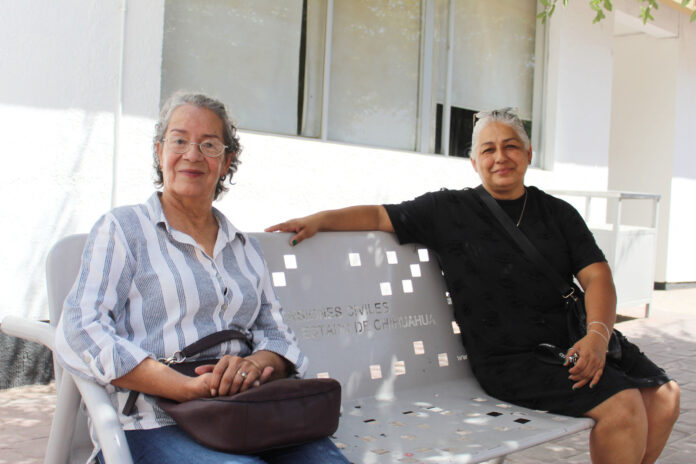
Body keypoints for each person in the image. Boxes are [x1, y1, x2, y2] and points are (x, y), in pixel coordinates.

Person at [266, 108, 680, 464]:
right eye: (488, 149)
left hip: (577, 340)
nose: (500, 157)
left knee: (665, 397)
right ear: (474, 162)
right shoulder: (448, 210)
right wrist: (320, 220)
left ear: (529, 154)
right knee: (623, 406)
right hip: (513, 359)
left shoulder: (558, 213)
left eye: (511, 146)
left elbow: (597, 276)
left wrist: (598, 336)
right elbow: (378, 216)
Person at [55, 91, 349, 464]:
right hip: (155, 419)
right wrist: (183, 387)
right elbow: (80, 328)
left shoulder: (243, 247)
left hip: (246, 412)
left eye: (208, 145)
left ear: (226, 162)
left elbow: (278, 335)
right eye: (179, 141)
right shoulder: (124, 229)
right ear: (160, 151)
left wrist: (254, 365)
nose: (192, 155)